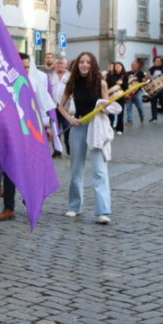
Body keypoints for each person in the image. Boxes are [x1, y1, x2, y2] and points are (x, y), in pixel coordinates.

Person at [0, 53, 55, 221]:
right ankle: (8, 208)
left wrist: (47, 126)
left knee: (30, 168)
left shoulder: (35, 83)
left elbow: (42, 106)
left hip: (31, 131)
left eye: (28, 67)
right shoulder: (4, 82)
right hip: (12, 131)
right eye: (23, 67)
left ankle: (31, 201)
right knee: (9, 169)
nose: (26, 69)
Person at [57, 52, 112, 225]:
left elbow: (107, 108)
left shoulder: (101, 83)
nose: (84, 64)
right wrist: (70, 119)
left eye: (88, 62)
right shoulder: (72, 83)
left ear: (93, 64)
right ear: (77, 64)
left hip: (96, 127)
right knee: (76, 169)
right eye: (81, 61)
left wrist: (105, 107)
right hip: (79, 126)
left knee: (99, 170)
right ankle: (75, 206)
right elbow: (60, 106)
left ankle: (102, 211)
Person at [49, 57, 70, 154]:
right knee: (55, 129)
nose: (60, 65)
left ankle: (69, 150)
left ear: (66, 65)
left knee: (67, 128)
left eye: (62, 63)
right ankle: (57, 150)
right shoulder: (50, 76)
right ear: (54, 65)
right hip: (53, 107)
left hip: (66, 107)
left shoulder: (70, 76)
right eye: (58, 63)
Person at [106, 62, 129, 134]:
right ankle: (110, 127)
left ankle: (120, 129)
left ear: (122, 67)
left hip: (121, 96)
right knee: (111, 113)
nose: (117, 67)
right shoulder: (111, 76)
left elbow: (126, 87)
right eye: (116, 66)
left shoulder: (124, 76)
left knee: (120, 113)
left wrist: (122, 84)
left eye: (119, 66)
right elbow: (107, 86)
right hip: (112, 97)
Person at [148, 56, 163, 122]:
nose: (158, 62)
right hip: (153, 88)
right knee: (153, 103)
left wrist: (162, 77)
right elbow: (147, 78)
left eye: (159, 61)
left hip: (162, 88)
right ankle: (154, 117)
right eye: (157, 61)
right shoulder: (151, 69)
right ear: (154, 62)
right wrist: (149, 76)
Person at [126, 60, 147, 126]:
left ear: (137, 66)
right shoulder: (127, 73)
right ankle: (130, 121)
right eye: (132, 65)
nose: (133, 66)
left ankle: (142, 116)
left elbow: (144, 82)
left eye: (135, 65)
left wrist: (144, 80)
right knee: (128, 107)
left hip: (138, 92)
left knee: (140, 106)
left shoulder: (140, 73)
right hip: (129, 92)